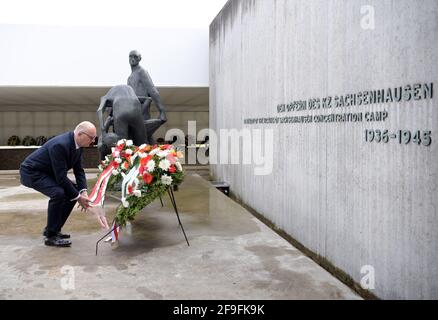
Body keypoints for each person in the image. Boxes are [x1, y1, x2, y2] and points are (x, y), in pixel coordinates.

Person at [19, 121, 96, 247]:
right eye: (91, 138)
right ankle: (51, 237)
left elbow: (79, 170)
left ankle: (53, 229)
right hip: (32, 172)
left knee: (73, 190)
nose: (93, 141)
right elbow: (61, 178)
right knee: (58, 193)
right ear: (80, 134)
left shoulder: (78, 146)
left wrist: (83, 192)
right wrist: (78, 198)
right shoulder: (61, 145)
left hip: (47, 172)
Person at [127, 50, 167, 123]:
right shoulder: (129, 78)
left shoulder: (142, 72)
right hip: (132, 111)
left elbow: (152, 90)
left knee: (142, 133)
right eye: (130, 56)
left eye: (135, 57)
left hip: (143, 110)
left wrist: (162, 111)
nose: (132, 59)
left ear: (139, 59)